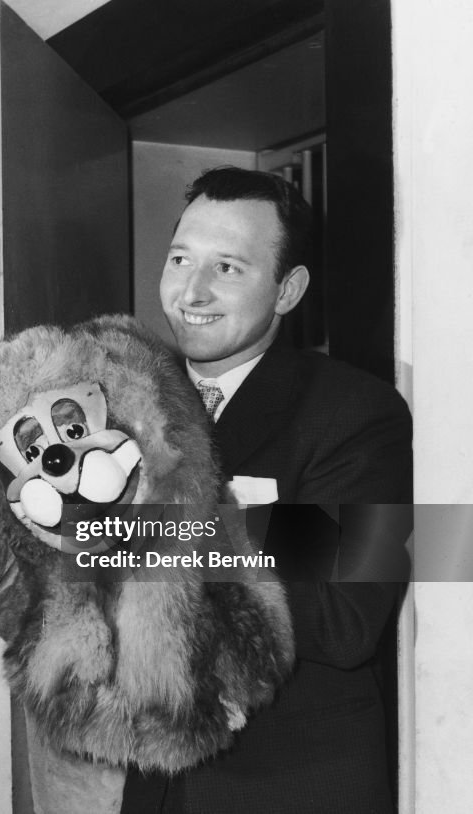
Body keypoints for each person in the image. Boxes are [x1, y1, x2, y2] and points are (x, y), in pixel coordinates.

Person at [122, 166, 413, 813]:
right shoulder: (129, 401)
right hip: (158, 785)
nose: (190, 290)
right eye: (179, 260)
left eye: (228, 267)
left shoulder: (357, 414)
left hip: (290, 784)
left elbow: (348, 620)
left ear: (288, 290)